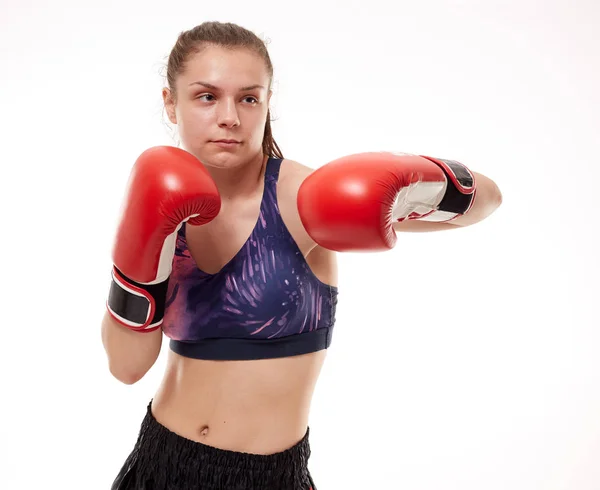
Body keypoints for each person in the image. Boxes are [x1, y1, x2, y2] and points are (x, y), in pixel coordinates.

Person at [101, 21, 503, 490]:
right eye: (207, 96)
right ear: (171, 102)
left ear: (268, 101)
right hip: (161, 465)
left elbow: (489, 199)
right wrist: (143, 249)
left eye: (249, 98)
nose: (229, 116)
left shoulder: (301, 198)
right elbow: (126, 368)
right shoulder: (161, 199)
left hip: (272, 477)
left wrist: (422, 179)